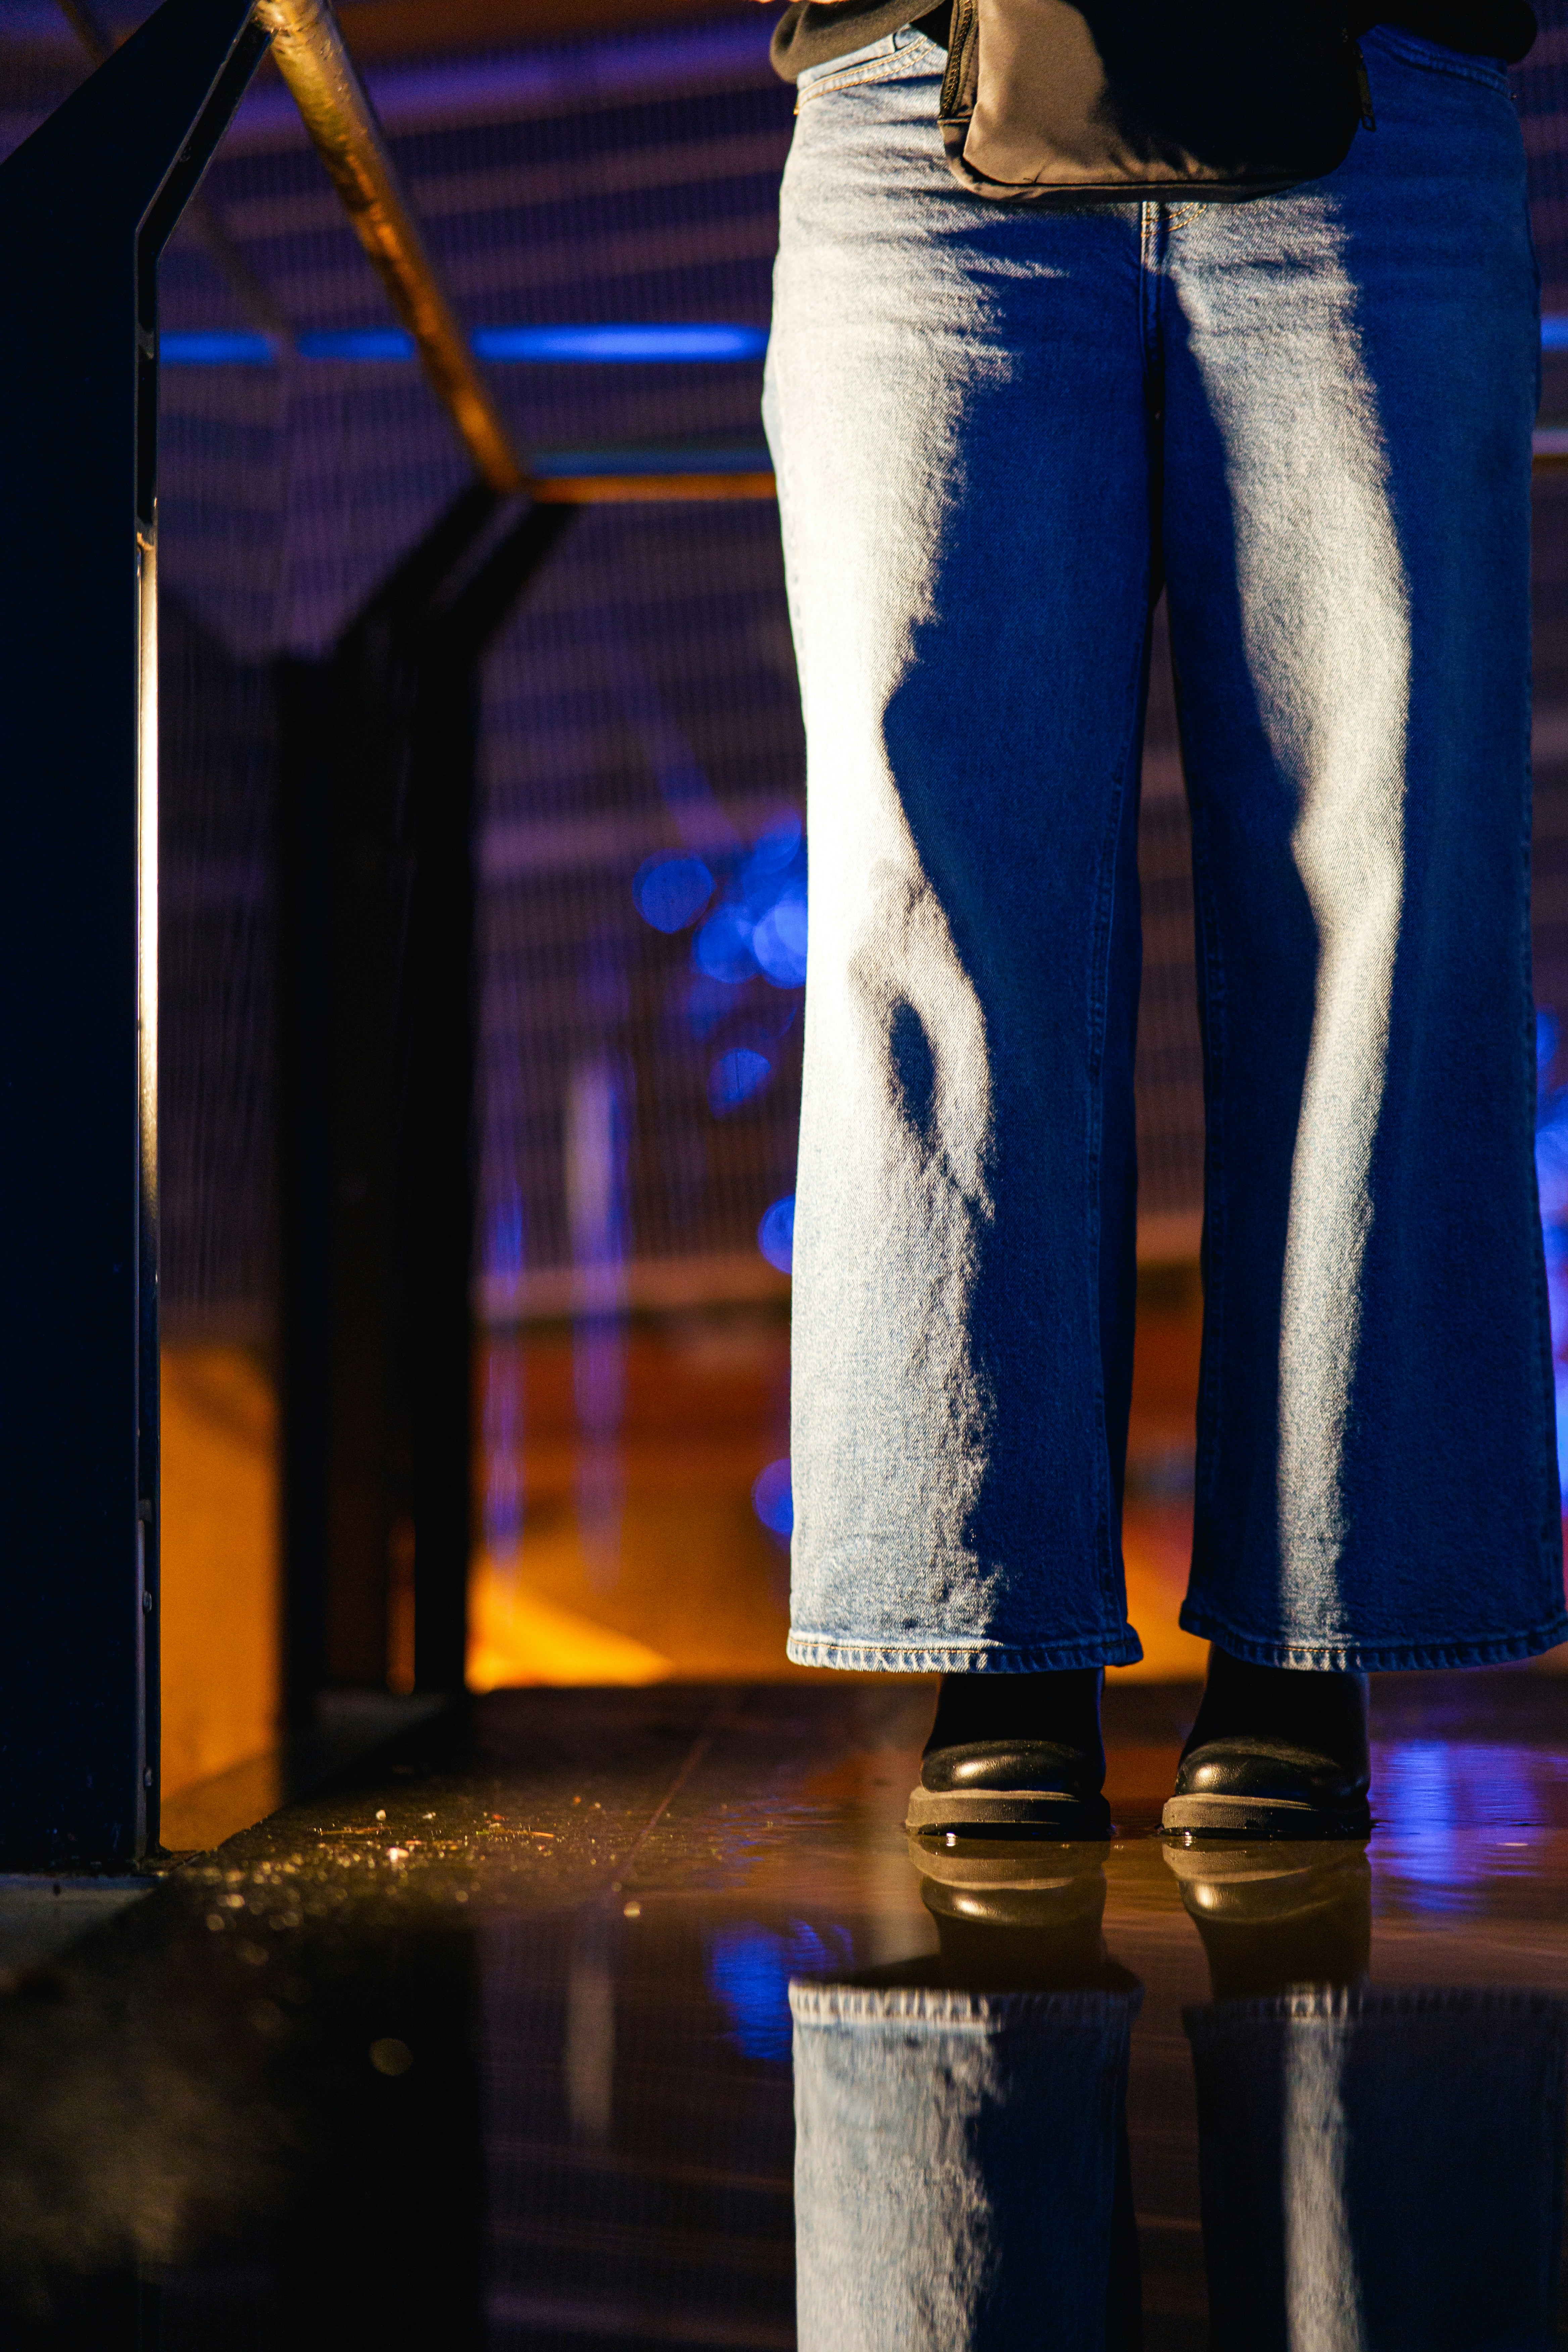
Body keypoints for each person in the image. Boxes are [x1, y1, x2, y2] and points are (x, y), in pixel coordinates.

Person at [762, 0, 1566, 1835]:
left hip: (1376, 68)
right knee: (937, 897)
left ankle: (1309, 1636)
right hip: (919, 80)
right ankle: (998, 1637)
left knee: (1387, 890)